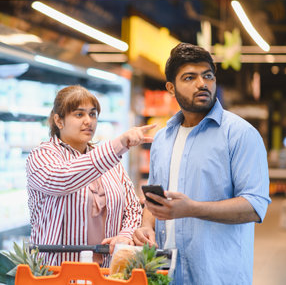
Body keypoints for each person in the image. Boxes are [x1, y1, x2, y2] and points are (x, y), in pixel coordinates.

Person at [132, 43, 271, 284]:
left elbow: (255, 205)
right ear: (171, 88)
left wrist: (192, 208)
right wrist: (147, 226)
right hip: (166, 275)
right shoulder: (163, 139)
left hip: (216, 276)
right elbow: (154, 200)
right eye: (190, 77)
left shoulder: (239, 134)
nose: (202, 83)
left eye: (208, 75)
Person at [26, 85, 155, 267]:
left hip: (107, 271)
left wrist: (125, 235)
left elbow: (132, 208)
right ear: (59, 121)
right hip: (58, 271)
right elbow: (62, 179)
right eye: (79, 115)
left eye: (92, 114)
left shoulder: (112, 162)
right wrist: (117, 145)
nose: (89, 121)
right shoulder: (42, 155)